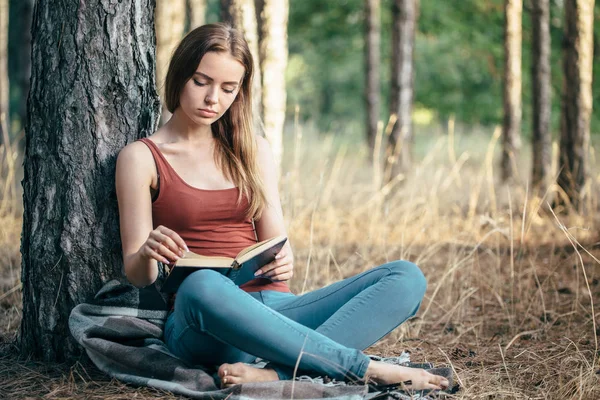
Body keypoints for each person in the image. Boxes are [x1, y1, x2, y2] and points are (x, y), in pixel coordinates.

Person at [115, 23, 449, 392]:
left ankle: (275, 373)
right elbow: (137, 274)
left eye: (229, 88)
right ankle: (365, 368)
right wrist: (148, 250)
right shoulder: (141, 157)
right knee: (202, 285)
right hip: (204, 320)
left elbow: (276, 243)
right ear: (179, 75)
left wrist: (285, 256)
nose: (213, 99)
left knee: (405, 276)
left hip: (275, 308)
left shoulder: (252, 149)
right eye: (201, 82)